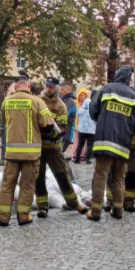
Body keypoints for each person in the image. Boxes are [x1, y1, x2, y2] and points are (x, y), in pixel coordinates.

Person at [0, 75, 57, 226]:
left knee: (7, 185)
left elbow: (3, 119)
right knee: (27, 185)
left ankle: (3, 218)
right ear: (28, 87)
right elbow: (48, 125)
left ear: (15, 87)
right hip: (31, 154)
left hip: (11, 153)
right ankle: (23, 217)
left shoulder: (6, 102)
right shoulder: (37, 102)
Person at [87, 67, 135, 220]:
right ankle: (118, 210)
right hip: (123, 144)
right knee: (118, 178)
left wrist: (103, 119)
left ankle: (95, 212)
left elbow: (93, 110)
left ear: (117, 76)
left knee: (100, 176)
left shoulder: (106, 89)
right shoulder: (134, 96)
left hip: (104, 141)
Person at [35, 77, 87, 217]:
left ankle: (73, 202)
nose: (48, 89)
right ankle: (42, 207)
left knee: (62, 175)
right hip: (38, 147)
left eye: (51, 87)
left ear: (57, 88)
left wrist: (52, 134)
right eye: (47, 86)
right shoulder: (38, 101)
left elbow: (63, 127)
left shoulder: (61, 106)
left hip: (53, 148)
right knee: (38, 177)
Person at [74, 88, 96, 164]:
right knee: (89, 145)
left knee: (80, 144)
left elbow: (78, 116)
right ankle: (88, 159)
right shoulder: (93, 110)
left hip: (82, 130)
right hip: (91, 130)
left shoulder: (80, 109)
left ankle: (77, 159)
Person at [59, 82, 77, 156]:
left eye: (62, 89)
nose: (60, 91)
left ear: (68, 90)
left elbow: (63, 115)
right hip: (61, 132)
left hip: (66, 133)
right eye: (60, 89)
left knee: (59, 155)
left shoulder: (70, 101)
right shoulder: (63, 99)